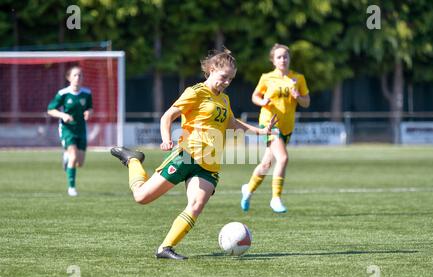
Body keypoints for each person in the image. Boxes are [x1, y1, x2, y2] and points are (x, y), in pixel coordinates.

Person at [110, 49, 277, 260]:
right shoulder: (196, 92)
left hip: (209, 165)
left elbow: (232, 123)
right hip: (187, 155)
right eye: (224, 77)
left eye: (231, 79)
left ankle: (165, 248)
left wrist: (260, 131)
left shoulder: (224, 99)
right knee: (141, 197)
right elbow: (167, 116)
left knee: (196, 205)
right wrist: (165, 138)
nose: (227, 82)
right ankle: (133, 159)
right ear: (211, 70)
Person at [240, 43, 310, 214]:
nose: (283, 60)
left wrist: (298, 97)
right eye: (279, 57)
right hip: (270, 124)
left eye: (285, 56)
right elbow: (255, 96)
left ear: (289, 58)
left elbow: (306, 102)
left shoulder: (298, 78)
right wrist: (262, 101)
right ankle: (276, 198)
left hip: (287, 127)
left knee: (265, 164)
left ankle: (248, 190)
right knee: (283, 158)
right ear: (273, 60)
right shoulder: (267, 78)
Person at [47, 66, 93, 197]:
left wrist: (89, 112)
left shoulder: (87, 93)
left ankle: (66, 157)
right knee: (73, 157)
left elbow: (90, 108)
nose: (78, 78)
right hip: (67, 129)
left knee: (80, 163)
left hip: (81, 129)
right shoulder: (63, 94)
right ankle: (71, 188)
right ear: (68, 78)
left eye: (80, 75)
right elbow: (50, 109)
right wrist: (63, 115)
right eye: (75, 75)